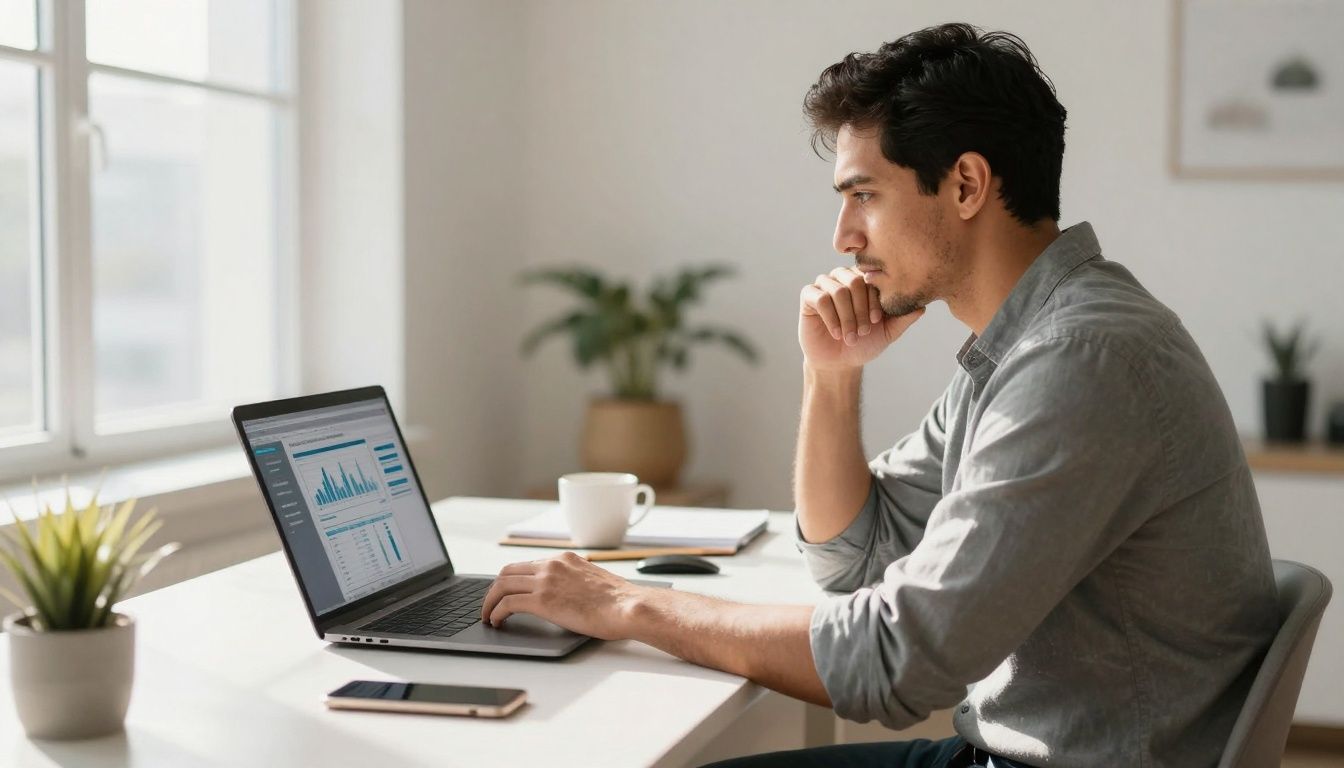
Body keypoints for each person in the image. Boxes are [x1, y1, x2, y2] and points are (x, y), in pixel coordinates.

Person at [480, 23, 1278, 767]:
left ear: (966, 184)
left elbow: (896, 662)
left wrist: (630, 606)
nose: (843, 235)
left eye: (864, 194)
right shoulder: (1026, 346)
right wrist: (831, 376)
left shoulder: (1081, 361)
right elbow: (854, 557)